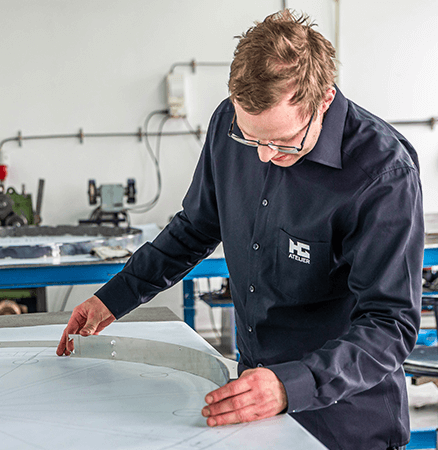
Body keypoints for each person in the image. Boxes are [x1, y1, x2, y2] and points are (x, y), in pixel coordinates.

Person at [57, 10, 423, 450]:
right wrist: (113, 297)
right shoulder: (228, 126)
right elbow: (194, 228)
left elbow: (389, 324)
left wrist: (291, 385)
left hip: (345, 422)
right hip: (254, 407)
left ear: (323, 100)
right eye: (252, 139)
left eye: (283, 142)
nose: (265, 156)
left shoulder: (382, 172)